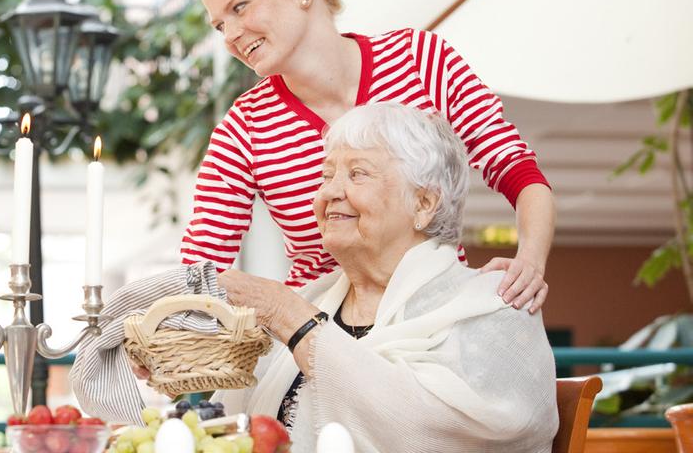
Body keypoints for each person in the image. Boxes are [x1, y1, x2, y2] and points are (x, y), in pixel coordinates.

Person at [180, 0, 555, 312]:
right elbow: (200, 264)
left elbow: (516, 168)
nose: (230, 35)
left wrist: (529, 260)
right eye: (220, 24)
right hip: (322, 342)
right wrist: (171, 328)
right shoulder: (244, 128)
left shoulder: (420, 60)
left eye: (240, 7)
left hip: (436, 319)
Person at [213, 103, 557, 451]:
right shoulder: (312, 298)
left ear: (423, 203)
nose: (330, 192)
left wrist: (293, 318)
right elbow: (225, 426)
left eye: (357, 173)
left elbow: (431, 435)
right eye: (326, 175)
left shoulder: (496, 305)